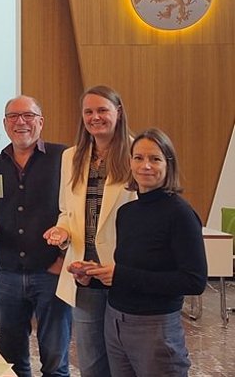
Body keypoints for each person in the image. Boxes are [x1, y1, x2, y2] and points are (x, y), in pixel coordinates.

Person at [85, 129, 207, 377]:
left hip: (155, 327)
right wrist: (93, 275)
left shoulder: (180, 213)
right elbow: (128, 269)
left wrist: (121, 275)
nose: (145, 166)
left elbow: (194, 281)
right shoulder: (127, 212)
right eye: (138, 158)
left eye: (155, 159)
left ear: (168, 164)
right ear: (130, 162)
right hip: (115, 321)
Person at [43, 85, 137, 377]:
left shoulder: (137, 153)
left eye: (102, 110)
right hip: (84, 275)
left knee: (126, 362)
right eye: (89, 112)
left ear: (118, 112)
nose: (95, 117)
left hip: (122, 273)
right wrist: (61, 232)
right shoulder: (71, 157)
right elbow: (66, 211)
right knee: (92, 364)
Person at [0, 96, 71, 377]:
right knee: (11, 361)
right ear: (4, 123)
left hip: (51, 272)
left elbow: (74, 213)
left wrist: (62, 260)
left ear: (41, 121)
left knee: (55, 360)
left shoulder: (63, 158)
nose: (20, 122)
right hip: (8, 274)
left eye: (28, 115)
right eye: (13, 116)